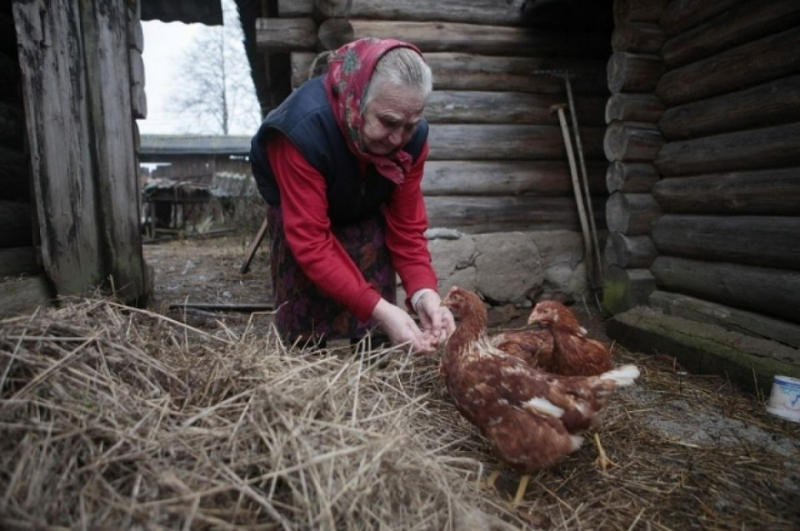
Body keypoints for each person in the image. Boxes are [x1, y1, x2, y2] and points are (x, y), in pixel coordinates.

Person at [250, 38, 455, 354]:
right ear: (357, 99)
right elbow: (311, 241)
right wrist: (381, 309)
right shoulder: (301, 131)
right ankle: (305, 360)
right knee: (307, 312)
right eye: (388, 122)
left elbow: (406, 229)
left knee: (375, 318)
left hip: (362, 203)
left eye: (410, 125)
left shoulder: (409, 142)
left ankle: (372, 357)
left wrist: (424, 293)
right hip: (302, 213)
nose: (398, 139)